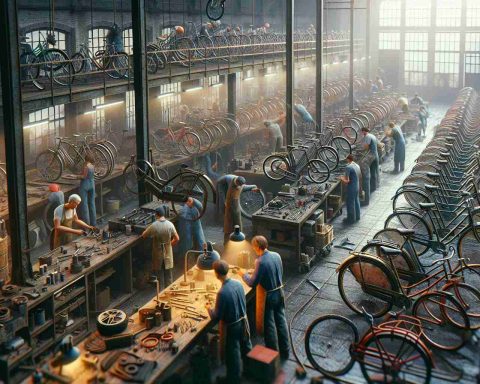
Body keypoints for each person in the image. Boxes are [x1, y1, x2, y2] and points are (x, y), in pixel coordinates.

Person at [239, 236, 289, 360]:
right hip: (280, 292)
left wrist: (243, 274)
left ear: (257, 247)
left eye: (254, 247)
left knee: (269, 325)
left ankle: (272, 353)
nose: (253, 249)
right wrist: (256, 271)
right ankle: (285, 350)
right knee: (281, 322)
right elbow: (276, 271)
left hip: (269, 296)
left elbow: (252, 283)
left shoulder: (260, 261)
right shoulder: (276, 255)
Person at [206, 260, 252, 384]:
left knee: (233, 353)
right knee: (246, 346)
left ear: (216, 274)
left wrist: (208, 308)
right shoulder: (238, 283)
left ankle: (233, 379)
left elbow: (216, 317)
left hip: (232, 327)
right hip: (243, 321)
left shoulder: (222, 292)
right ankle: (249, 371)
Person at [141, 206, 179, 289]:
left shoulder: (154, 225)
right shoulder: (170, 224)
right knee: (168, 276)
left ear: (156, 215)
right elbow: (177, 238)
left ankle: (160, 295)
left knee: (159, 277)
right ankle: (169, 293)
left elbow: (144, 235)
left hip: (158, 254)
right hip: (168, 253)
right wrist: (169, 245)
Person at [217, 175, 258, 244]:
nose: (239, 187)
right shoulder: (232, 185)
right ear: (236, 182)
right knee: (223, 204)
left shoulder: (240, 184)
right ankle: (220, 219)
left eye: (240, 186)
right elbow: (230, 201)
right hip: (221, 183)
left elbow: (245, 187)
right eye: (238, 185)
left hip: (233, 201)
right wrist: (226, 202)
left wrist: (254, 187)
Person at [340, 154, 361, 224]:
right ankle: (357, 216)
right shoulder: (357, 165)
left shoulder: (348, 167)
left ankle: (351, 219)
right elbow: (359, 176)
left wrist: (341, 178)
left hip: (351, 187)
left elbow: (347, 181)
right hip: (357, 186)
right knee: (356, 200)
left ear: (348, 159)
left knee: (350, 202)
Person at [77, 153, 96, 227]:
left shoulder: (86, 166)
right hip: (92, 184)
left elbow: (84, 177)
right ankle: (94, 224)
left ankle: (87, 226)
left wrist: (75, 176)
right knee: (92, 203)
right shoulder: (92, 166)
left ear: (86, 159)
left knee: (84, 205)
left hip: (85, 185)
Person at [361, 127, 380, 193]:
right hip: (376, 155)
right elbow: (378, 144)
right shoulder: (372, 135)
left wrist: (362, 149)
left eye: (362, 132)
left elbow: (366, 147)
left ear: (363, 131)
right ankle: (374, 187)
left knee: (363, 165)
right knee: (373, 171)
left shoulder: (367, 136)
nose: (362, 133)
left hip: (371, 155)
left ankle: (366, 187)